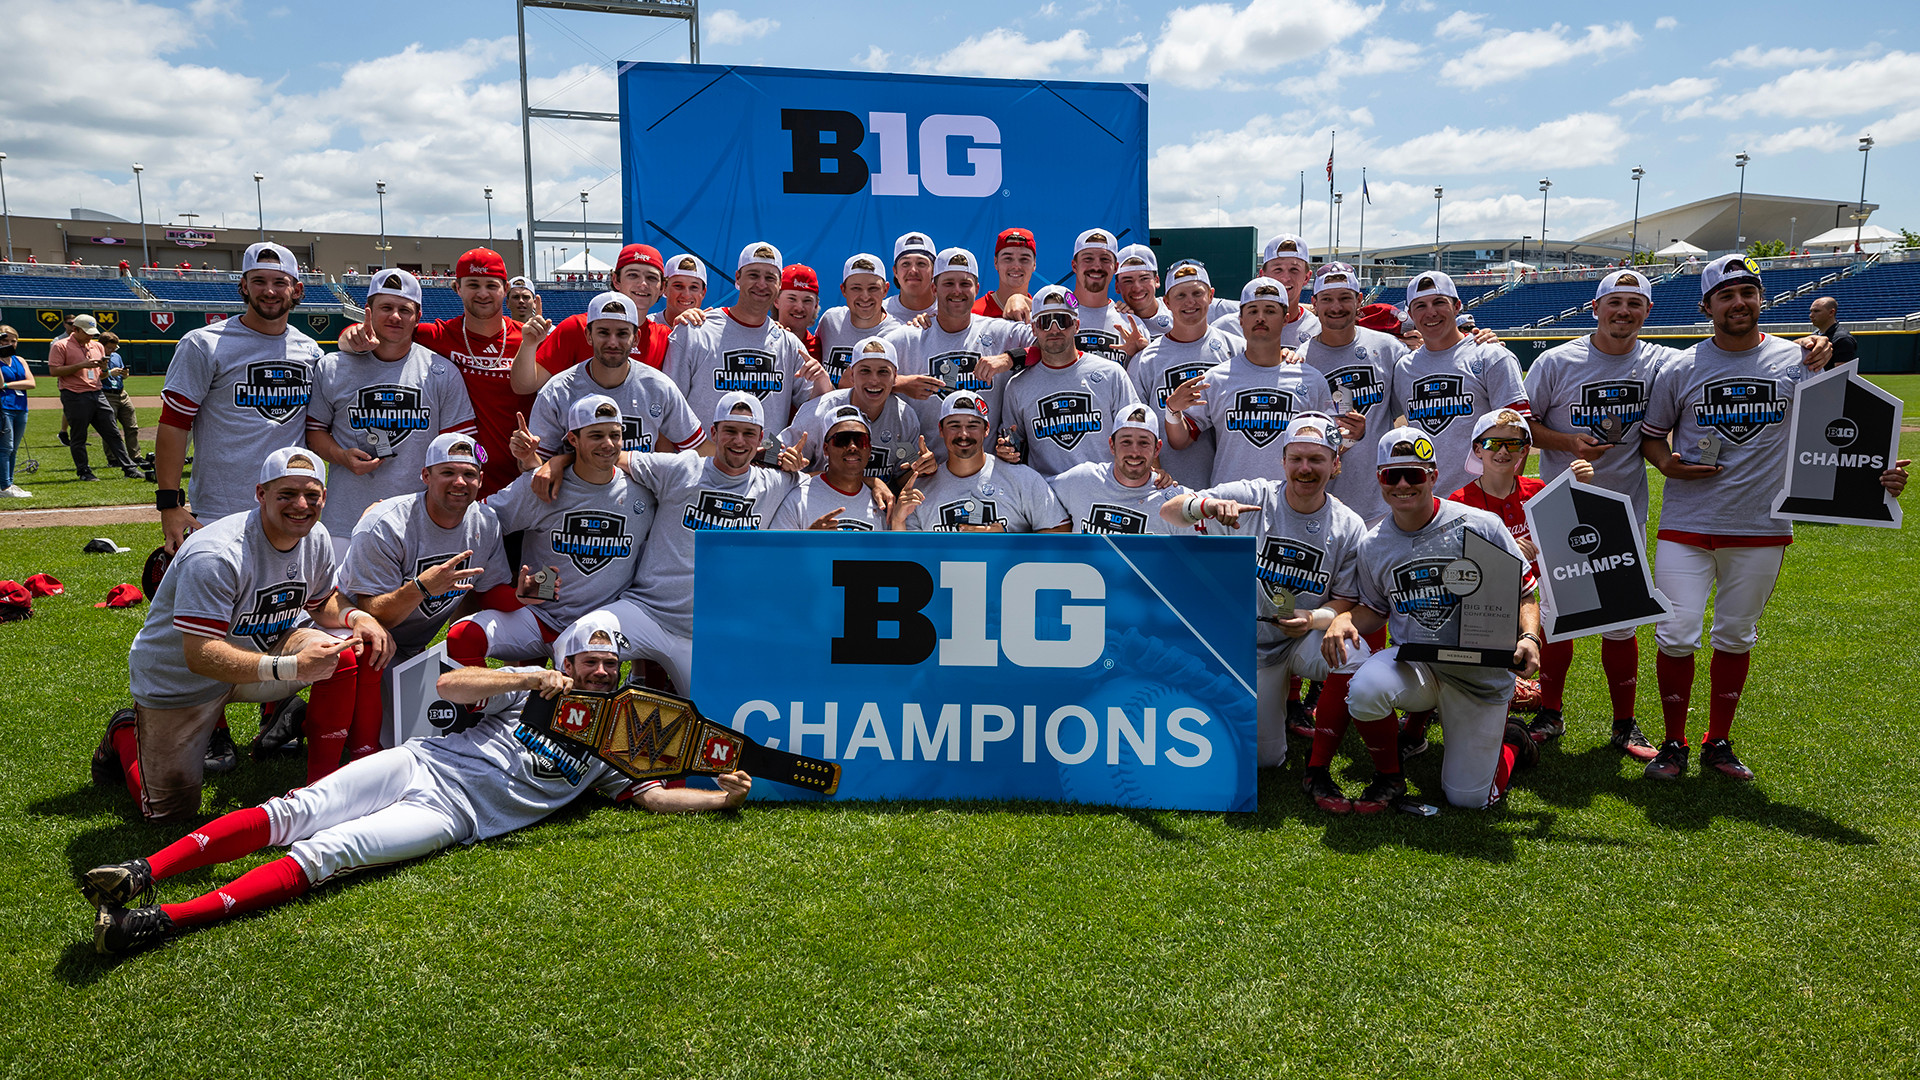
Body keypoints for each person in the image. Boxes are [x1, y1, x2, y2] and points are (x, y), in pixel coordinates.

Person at [82, 613, 751, 955]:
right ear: (567, 661)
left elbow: (654, 796)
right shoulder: (533, 688)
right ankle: (143, 871)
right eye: (589, 662)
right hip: (423, 762)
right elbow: (451, 685)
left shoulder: (617, 743)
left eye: (610, 665)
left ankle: (161, 921)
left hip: (457, 816)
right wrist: (525, 676)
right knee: (298, 808)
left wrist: (721, 797)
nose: (601, 673)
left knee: (327, 853)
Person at [1638, 256, 1909, 781]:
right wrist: (1667, 463)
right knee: (1675, 633)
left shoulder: (1798, 360)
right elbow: (1652, 437)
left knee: (1735, 635)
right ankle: (1674, 742)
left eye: (1748, 292)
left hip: (1761, 526)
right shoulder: (1681, 367)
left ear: (1762, 298)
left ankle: (1718, 742)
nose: (1738, 302)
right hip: (1687, 522)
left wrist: (1877, 475)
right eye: (1726, 295)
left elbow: (1837, 432)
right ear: (1707, 307)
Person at [93, 447, 396, 820]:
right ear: (260, 494)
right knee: (169, 813)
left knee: (343, 652)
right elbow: (200, 654)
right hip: (183, 680)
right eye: (287, 494)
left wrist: (356, 616)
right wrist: (291, 666)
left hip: (260, 652)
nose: (301, 505)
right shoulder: (217, 554)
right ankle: (124, 732)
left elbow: (321, 601)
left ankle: (323, 786)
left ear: (324, 497)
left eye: (311, 495)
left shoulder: (315, 535)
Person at [1321, 427, 1544, 811]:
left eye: (1414, 474)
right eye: (1392, 475)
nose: (1402, 484)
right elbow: (1375, 609)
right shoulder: (1373, 544)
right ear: (1380, 479)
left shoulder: (1481, 525)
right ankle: (1390, 777)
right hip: (1419, 665)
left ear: (1433, 476)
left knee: (1469, 799)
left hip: (1479, 675)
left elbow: (1524, 593)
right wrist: (1345, 619)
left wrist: (1529, 637)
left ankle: (1511, 742)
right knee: (1366, 689)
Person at [1520, 270, 1679, 760]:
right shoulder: (1556, 361)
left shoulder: (1661, 362)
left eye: (1634, 303)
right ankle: (1550, 711)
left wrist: (1808, 349)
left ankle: (1624, 723)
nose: (1623, 311)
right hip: (1561, 509)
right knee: (1556, 618)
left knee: (1622, 622)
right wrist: (1568, 442)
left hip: (1623, 511)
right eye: (1615, 302)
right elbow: (1524, 425)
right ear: (1595, 308)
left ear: (1647, 312)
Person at [1162, 414, 1368, 776]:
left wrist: (1312, 619)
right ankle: (1267, 707)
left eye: (1316, 459)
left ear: (1335, 463)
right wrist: (1206, 507)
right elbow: (1169, 512)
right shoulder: (1253, 494)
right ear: (1283, 461)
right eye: (1296, 458)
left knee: (1355, 654)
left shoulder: (1349, 525)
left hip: (1301, 640)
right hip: (1248, 647)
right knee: (1265, 761)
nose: (1305, 468)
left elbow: (1345, 598)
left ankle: (1320, 761)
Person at [588, 392, 802, 693]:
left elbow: (828, 483)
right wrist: (558, 461)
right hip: (649, 614)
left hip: (707, 634)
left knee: (718, 711)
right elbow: (611, 457)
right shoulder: (681, 468)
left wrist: (797, 466)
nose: (738, 441)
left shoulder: (775, 483)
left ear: (761, 439)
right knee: (581, 642)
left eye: (748, 433)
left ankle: (651, 688)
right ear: (713, 432)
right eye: (730, 430)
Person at [447, 395, 653, 665]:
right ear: (573, 440)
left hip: (600, 625)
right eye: (596, 435)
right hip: (538, 614)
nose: (608, 444)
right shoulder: (542, 483)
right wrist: (503, 578)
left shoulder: (642, 491)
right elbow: (479, 520)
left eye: (615, 435)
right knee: (463, 636)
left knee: (580, 678)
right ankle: (496, 693)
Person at [157, 242, 325, 550]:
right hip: (220, 507)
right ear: (244, 286)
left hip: (288, 506)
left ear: (297, 290)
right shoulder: (203, 344)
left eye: (279, 282)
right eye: (259, 281)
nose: (269, 291)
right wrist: (169, 504)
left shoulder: (310, 350)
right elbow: (174, 424)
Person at [305, 269, 477, 557]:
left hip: (419, 520)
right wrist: (342, 456)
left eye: (404, 310)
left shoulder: (441, 372)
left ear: (418, 316)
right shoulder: (333, 367)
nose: (395, 316)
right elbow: (314, 432)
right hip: (346, 520)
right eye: (386, 307)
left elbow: (459, 450)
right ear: (368, 312)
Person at [1446, 409, 1594, 738]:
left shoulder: (1537, 490)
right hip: (1486, 596)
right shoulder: (1460, 501)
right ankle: (1434, 713)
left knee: (1558, 613)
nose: (1503, 451)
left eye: (1513, 444)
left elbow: (1567, 533)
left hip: (1535, 590)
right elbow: (1458, 563)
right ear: (1478, 449)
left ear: (1525, 450)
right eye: (1493, 443)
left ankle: (1551, 712)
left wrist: (1578, 486)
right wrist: (1505, 546)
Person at [339, 248, 530, 498]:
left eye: (491, 285)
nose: (483, 293)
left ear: (505, 289)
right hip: (461, 479)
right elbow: (384, 332)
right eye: (473, 284)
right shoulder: (438, 336)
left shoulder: (529, 340)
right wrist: (348, 336)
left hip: (523, 475)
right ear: (457, 288)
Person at [337, 433, 512, 671]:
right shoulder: (387, 524)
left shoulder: (486, 522)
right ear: (426, 476)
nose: (460, 482)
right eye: (448, 472)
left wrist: (522, 595)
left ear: (480, 480)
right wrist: (421, 588)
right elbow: (371, 612)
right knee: (370, 651)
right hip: (348, 633)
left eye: (469, 474)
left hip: (407, 648)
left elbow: (483, 591)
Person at [1163, 277, 1335, 484]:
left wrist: (1351, 435)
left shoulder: (1311, 380)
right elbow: (1180, 441)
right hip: (1228, 499)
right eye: (1252, 311)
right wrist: (1173, 410)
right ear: (1241, 320)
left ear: (1285, 319)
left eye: (1270, 311)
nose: (1260, 318)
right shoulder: (1216, 378)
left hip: (1291, 499)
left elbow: (1331, 443)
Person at [522, 291, 705, 464]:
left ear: (636, 338)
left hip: (643, 488)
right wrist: (526, 456)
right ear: (588, 336)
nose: (612, 342)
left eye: (622, 333)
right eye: (603, 332)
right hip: (579, 488)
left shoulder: (659, 387)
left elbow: (698, 447)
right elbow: (536, 465)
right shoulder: (557, 392)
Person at [1393, 270, 1531, 498]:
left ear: (1457, 307)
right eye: (1421, 306)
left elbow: (1518, 432)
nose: (1431, 312)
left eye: (1439, 302)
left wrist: (1505, 496)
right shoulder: (1404, 368)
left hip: (1482, 500)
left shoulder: (1491, 356)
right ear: (1410, 314)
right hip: (1426, 500)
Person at [665, 242, 824, 429]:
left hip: (767, 449)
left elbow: (817, 409)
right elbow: (669, 409)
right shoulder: (694, 331)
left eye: (770, 277)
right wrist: (700, 446)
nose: (762, 284)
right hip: (704, 449)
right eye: (753, 275)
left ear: (780, 284)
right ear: (738, 278)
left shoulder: (788, 344)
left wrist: (823, 381)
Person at [884, 247, 1035, 440]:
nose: (957, 291)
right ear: (934, 289)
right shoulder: (906, 339)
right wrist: (897, 383)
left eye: (965, 284)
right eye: (948, 283)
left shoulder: (1001, 332)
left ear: (977, 289)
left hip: (987, 458)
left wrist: (1009, 359)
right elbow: (855, 380)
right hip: (923, 457)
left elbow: (1055, 345)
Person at [1300, 263, 1409, 526]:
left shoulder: (1387, 347)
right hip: (1322, 504)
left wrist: (1472, 339)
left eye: (1344, 298)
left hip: (1382, 504)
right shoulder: (1300, 359)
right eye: (1327, 299)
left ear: (1359, 300)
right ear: (1314, 304)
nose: (1336, 307)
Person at [998, 285, 1141, 477]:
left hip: (1104, 489)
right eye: (1045, 322)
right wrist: (1007, 449)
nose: (1054, 329)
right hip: (1046, 492)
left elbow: (1138, 432)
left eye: (1062, 320)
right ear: (1033, 329)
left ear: (1077, 326)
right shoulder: (1017, 386)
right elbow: (1013, 442)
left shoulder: (1112, 374)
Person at [894, 391, 1070, 533]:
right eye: (954, 425)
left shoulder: (1023, 479)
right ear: (941, 430)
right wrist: (897, 520)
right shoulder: (919, 491)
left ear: (986, 429)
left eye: (972, 426)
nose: (963, 434)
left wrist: (1007, 542)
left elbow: (1060, 532)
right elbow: (907, 555)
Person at [1131, 262, 1236, 490]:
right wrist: (1154, 470)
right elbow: (1137, 424)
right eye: (1180, 295)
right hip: (1168, 487)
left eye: (1197, 293)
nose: (1190, 302)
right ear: (1167, 302)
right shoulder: (1146, 360)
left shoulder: (1236, 349)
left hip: (1228, 486)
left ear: (1211, 295)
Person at [779, 335, 929, 485]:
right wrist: (783, 460)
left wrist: (925, 468)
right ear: (852, 375)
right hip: (819, 498)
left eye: (883, 372)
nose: (874, 380)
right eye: (865, 371)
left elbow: (905, 476)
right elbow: (771, 450)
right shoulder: (819, 411)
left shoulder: (905, 418)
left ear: (895, 377)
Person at [1052, 405, 1190, 534]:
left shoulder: (1175, 503)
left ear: (1157, 448)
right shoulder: (1082, 480)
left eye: (1144, 443)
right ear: (1112, 445)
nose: (1134, 452)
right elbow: (1041, 496)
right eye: (1126, 442)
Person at [770, 405, 894, 531]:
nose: (852, 447)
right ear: (826, 449)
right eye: (842, 440)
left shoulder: (882, 503)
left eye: (861, 440)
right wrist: (810, 537)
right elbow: (777, 544)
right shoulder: (798, 499)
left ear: (870, 450)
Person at [49, 313, 140, 481]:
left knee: (113, 432)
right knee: (79, 435)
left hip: (97, 393)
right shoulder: (60, 346)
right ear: (75, 329)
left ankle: (129, 468)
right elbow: (54, 371)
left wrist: (104, 369)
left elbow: (102, 375)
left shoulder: (97, 346)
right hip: (74, 394)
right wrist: (81, 365)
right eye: (87, 332)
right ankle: (84, 471)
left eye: (92, 333)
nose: (90, 336)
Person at [1211, 235, 1322, 348]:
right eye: (1278, 269)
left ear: (1307, 277)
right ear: (1262, 275)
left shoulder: (1318, 330)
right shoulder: (1228, 328)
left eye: (1294, 269)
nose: (1286, 278)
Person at [814, 253, 904, 390]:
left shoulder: (899, 334)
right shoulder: (830, 321)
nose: (865, 297)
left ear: (885, 290)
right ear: (843, 290)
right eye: (856, 288)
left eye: (873, 288)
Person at [1064, 228, 1149, 365]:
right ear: (1074, 265)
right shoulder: (1052, 316)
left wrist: (1141, 356)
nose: (1097, 266)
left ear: (1115, 267)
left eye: (1105, 259)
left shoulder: (1132, 325)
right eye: (1088, 258)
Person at [0, 324, 34, 498]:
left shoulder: (20, 360)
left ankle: (9, 483)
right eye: (5, 340)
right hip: (3, 407)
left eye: (13, 341)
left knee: (13, 448)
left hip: (20, 407)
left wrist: (7, 385)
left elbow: (31, 383)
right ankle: (4, 486)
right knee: (5, 447)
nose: (10, 344)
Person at [974, 227, 1036, 321]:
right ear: (996, 262)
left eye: (1024, 259)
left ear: (1034, 264)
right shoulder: (974, 314)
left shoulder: (1041, 317)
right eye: (1008, 258)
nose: (1016, 266)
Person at [97, 332, 140, 462]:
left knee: (132, 427)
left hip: (121, 393)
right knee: (111, 429)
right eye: (109, 347)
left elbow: (123, 376)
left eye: (114, 347)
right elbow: (93, 377)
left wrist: (124, 374)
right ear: (101, 345)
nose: (112, 350)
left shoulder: (116, 356)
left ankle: (135, 457)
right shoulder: (95, 356)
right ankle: (113, 458)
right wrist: (110, 372)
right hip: (106, 393)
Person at [1112, 243, 1171, 338]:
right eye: (1128, 281)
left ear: (1156, 280)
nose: (1137, 288)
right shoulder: (1114, 321)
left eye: (1144, 279)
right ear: (1117, 286)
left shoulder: (1176, 312)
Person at [884, 231, 938, 323]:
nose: (913, 271)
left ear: (934, 270)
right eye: (906, 264)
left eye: (921, 263)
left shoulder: (949, 312)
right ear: (895, 271)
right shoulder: (880, 313)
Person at [775, 264, 821, 355]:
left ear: (815, 305)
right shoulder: (763, 340)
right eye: (792, 299)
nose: (799, 308)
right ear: (776, 301)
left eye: (807, 300)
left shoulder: (822, 348)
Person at [659, 254, 708, 326]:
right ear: (664, 288)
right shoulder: (645, 326)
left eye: (694, 287)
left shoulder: (713, 330)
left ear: (703, 293)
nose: (686, 295)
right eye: (678, 286)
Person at [1807, 296, 1855, 369]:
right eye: (1811, 311)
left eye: (1816, 311)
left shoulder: (1842, 339)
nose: (1811, 315)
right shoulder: (1813, 335)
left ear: (1831, 312)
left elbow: (1841, 373)